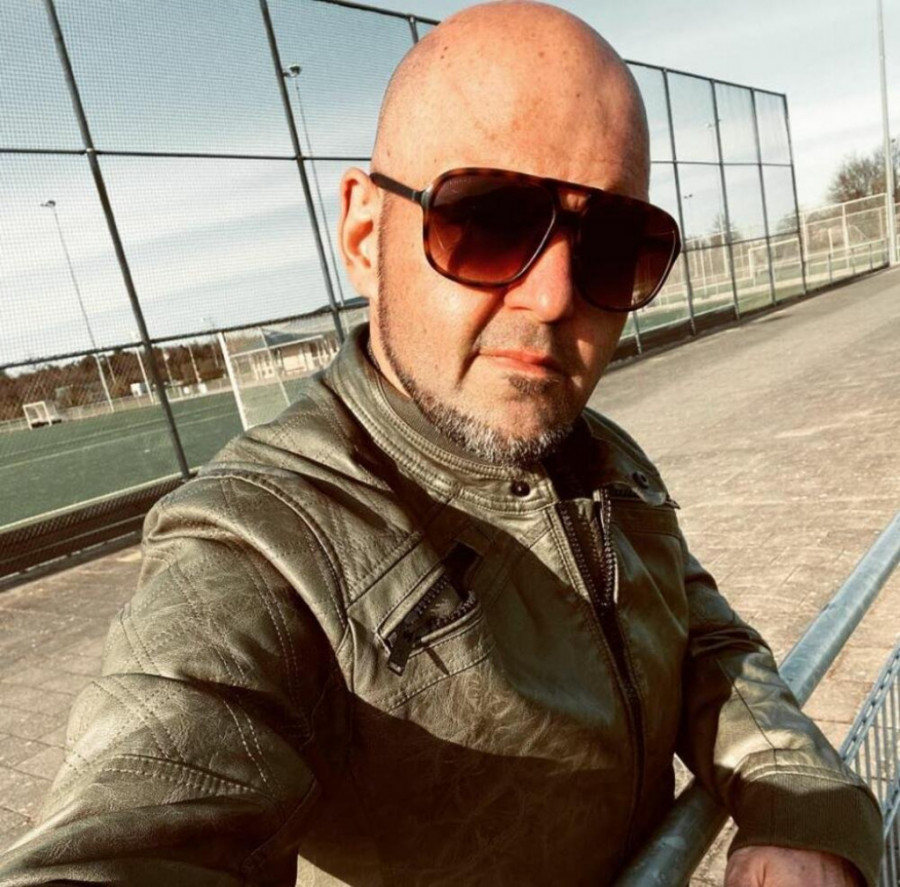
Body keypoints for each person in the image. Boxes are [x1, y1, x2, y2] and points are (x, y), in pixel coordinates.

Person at [0, 2, 882, 885]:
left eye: (614, 243)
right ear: (363, 236)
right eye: (491, 219)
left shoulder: (597, 452)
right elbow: (131, 825)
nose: (553, 297)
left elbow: (699, 638)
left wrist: (799, 798)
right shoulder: (264, 545)